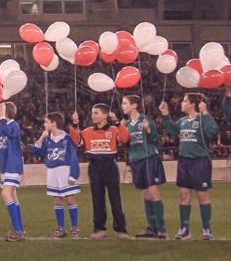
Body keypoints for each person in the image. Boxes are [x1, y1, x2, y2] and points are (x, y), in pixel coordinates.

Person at [160, 93, 219, 240]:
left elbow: (213, 131)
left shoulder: (202, 119)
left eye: (185, 101)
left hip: (200, 161)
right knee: (184, 195)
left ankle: (206, 229)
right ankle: (184, 228)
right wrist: (166, 115)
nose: (182, 103)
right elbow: (172, 130)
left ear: (193, 104)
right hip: (184, 162)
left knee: (201, 194)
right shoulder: (183, 121)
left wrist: (205, 112)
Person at [69, 103, 128, 239]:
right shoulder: (87, 131)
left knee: (115, 199)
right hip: (94, 167)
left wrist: (119, 123)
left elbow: (124, 138)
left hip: (110, 166)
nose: (93, 115)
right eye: (92, 112)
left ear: (105, 115)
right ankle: (99, 229)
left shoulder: (114, 129)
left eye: (96, 113)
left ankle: (121, 230)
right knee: (97, 200)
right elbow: (76, 140)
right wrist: (75, 124)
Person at [119, 95, 167, 239]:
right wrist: (120, 129)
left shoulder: (145, 120)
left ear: (134, 106)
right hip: (136, 160)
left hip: (149, 158)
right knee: (145, 193)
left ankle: (161, 227)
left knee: (153, 191)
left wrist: (149, 130)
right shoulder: (126, 124)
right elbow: (125, 144)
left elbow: (155, 140)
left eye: (125, 103)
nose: (123, 106)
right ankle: (151, 227)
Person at [32, 112, 81, 239]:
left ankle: (75, 228)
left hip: (65, 170)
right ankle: (61, 228)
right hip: (52, 171)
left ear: (53, 123)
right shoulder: (47, 139)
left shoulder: (67, 138)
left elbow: (73, 157)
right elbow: (37, 152)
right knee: (57, 199)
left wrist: (73, 175)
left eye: (46, 122)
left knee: (70, 199)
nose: (44, 124)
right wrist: (41, 138)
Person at [0, 101, 26, 241]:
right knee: (13, 196)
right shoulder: (1, 127)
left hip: (13, 164)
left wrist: (1, 118)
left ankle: (17, 230)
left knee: (5, 193)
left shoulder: (13, 125)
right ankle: (19, 228)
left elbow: (9, 132)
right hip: (5, 166)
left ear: (5, 113)